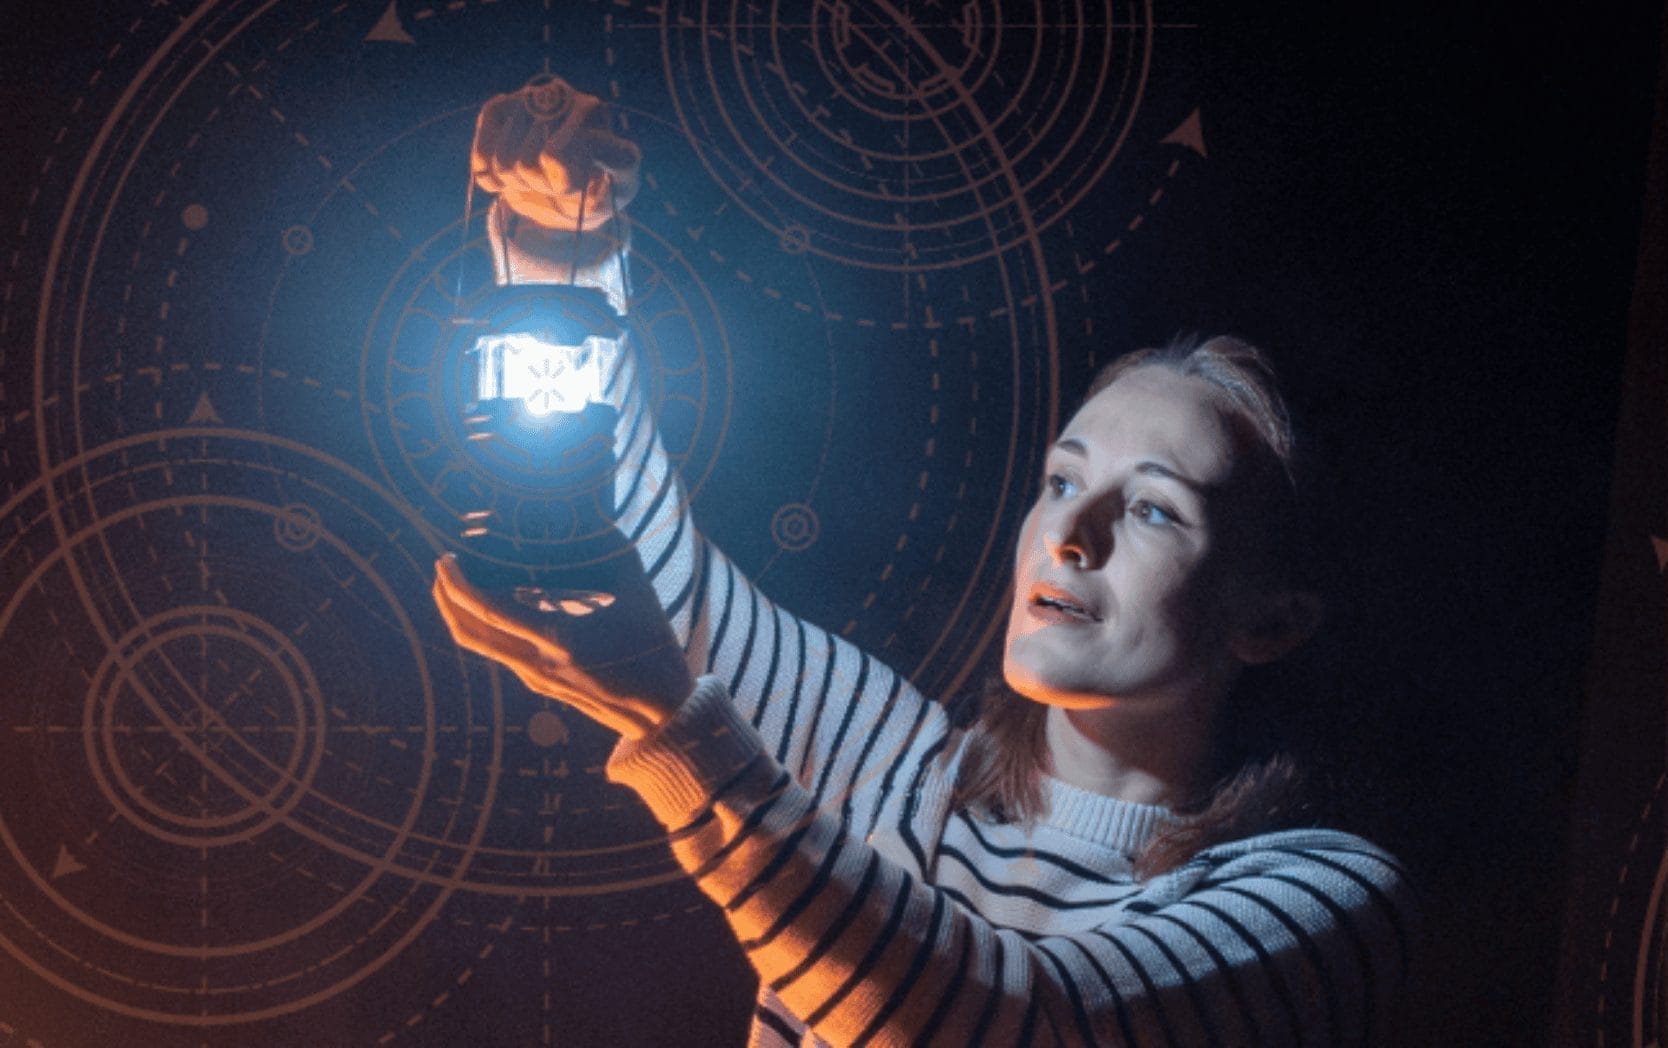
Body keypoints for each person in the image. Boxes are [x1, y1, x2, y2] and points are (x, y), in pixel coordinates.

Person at [436, 78, 1415, 1046]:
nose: (1072, 537)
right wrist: (562, 246)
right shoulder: (896, 771)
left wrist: (684, 738)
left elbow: (1012, 1023)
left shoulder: (1319, 903)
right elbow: (645, 582)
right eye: (1064, 481)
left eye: (1155, 508)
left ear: (1273, 619)